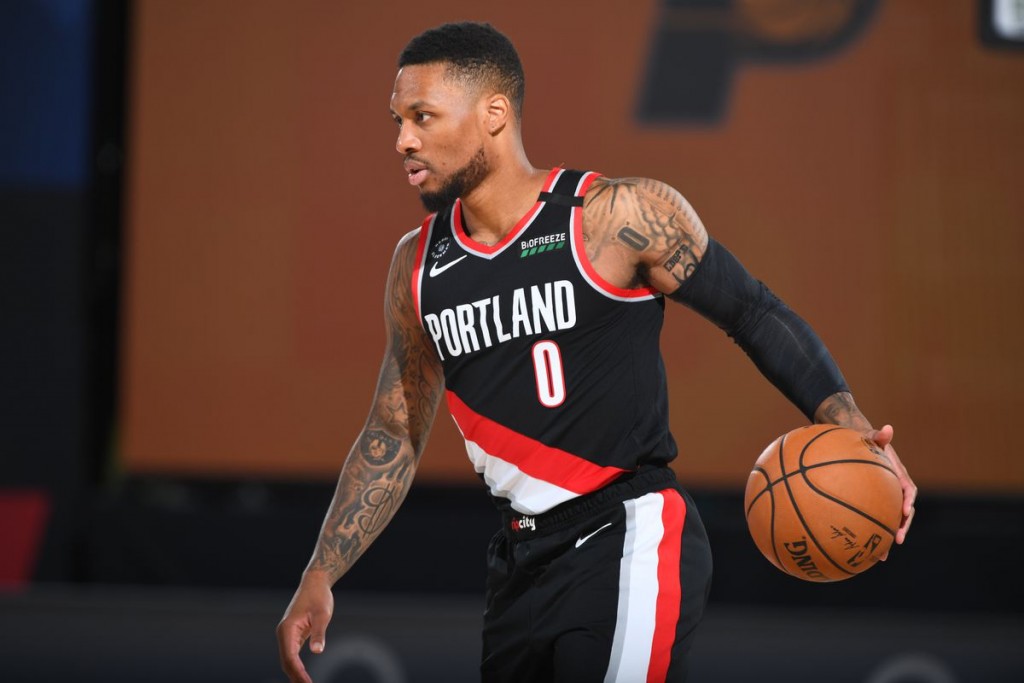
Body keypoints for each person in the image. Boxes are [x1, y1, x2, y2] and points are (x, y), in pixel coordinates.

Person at [276, 21, 917, 683]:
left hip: (628, 532)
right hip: (520, 565)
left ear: (494, 114)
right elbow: (394, 431)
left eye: (422, 116)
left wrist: (851, 425)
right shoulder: (417, 267)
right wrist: (320, 571)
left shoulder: (612, 216)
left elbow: (751, 311)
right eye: (398, 121)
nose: (403, 140)